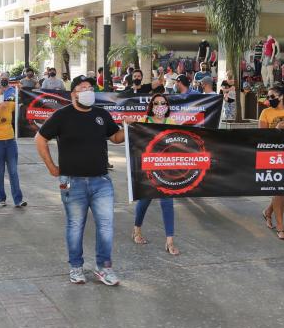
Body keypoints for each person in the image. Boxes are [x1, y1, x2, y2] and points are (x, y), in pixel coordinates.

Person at [35, 75, 125, 286]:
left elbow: (115, 138)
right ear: (73, 93)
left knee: (106, 226)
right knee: (75, 226)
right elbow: (40, 139)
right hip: (72, 182)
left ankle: (104, 268)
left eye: (91, 87)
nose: (88, 91)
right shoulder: (62, 116)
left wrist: (128, 128)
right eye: (83, 87)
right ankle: (76, 267)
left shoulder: (101, 115)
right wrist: (51, 167)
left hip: (101, 181)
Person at [132, 94, 179, 255]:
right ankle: (137, 230)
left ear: (167, 106)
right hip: (148, 169)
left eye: (163, 103)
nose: (160, 105)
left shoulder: (171, 122)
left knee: (168, 203)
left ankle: (169, 241)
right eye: (156, 103)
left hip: (166, 169)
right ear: (151, 105)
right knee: (145, 201)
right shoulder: (144, 121)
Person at [259, 85, 284, 240]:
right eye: (268, 97)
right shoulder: (265, 113)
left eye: (272, 96)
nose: (269, 100)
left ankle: (268, 212)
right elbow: (261, 137)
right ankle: (280, 227)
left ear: (282, 96)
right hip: (273, 156)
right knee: (279, 189)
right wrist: (276, 129)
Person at [0, 86, 26, 208]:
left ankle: (18, 199)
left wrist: (21, 91)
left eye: (2, 93)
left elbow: (22, 101)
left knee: (13, 171)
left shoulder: (9, 104)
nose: (0, 95)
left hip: (10, 141)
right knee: (0, 171)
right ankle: (1, 198)